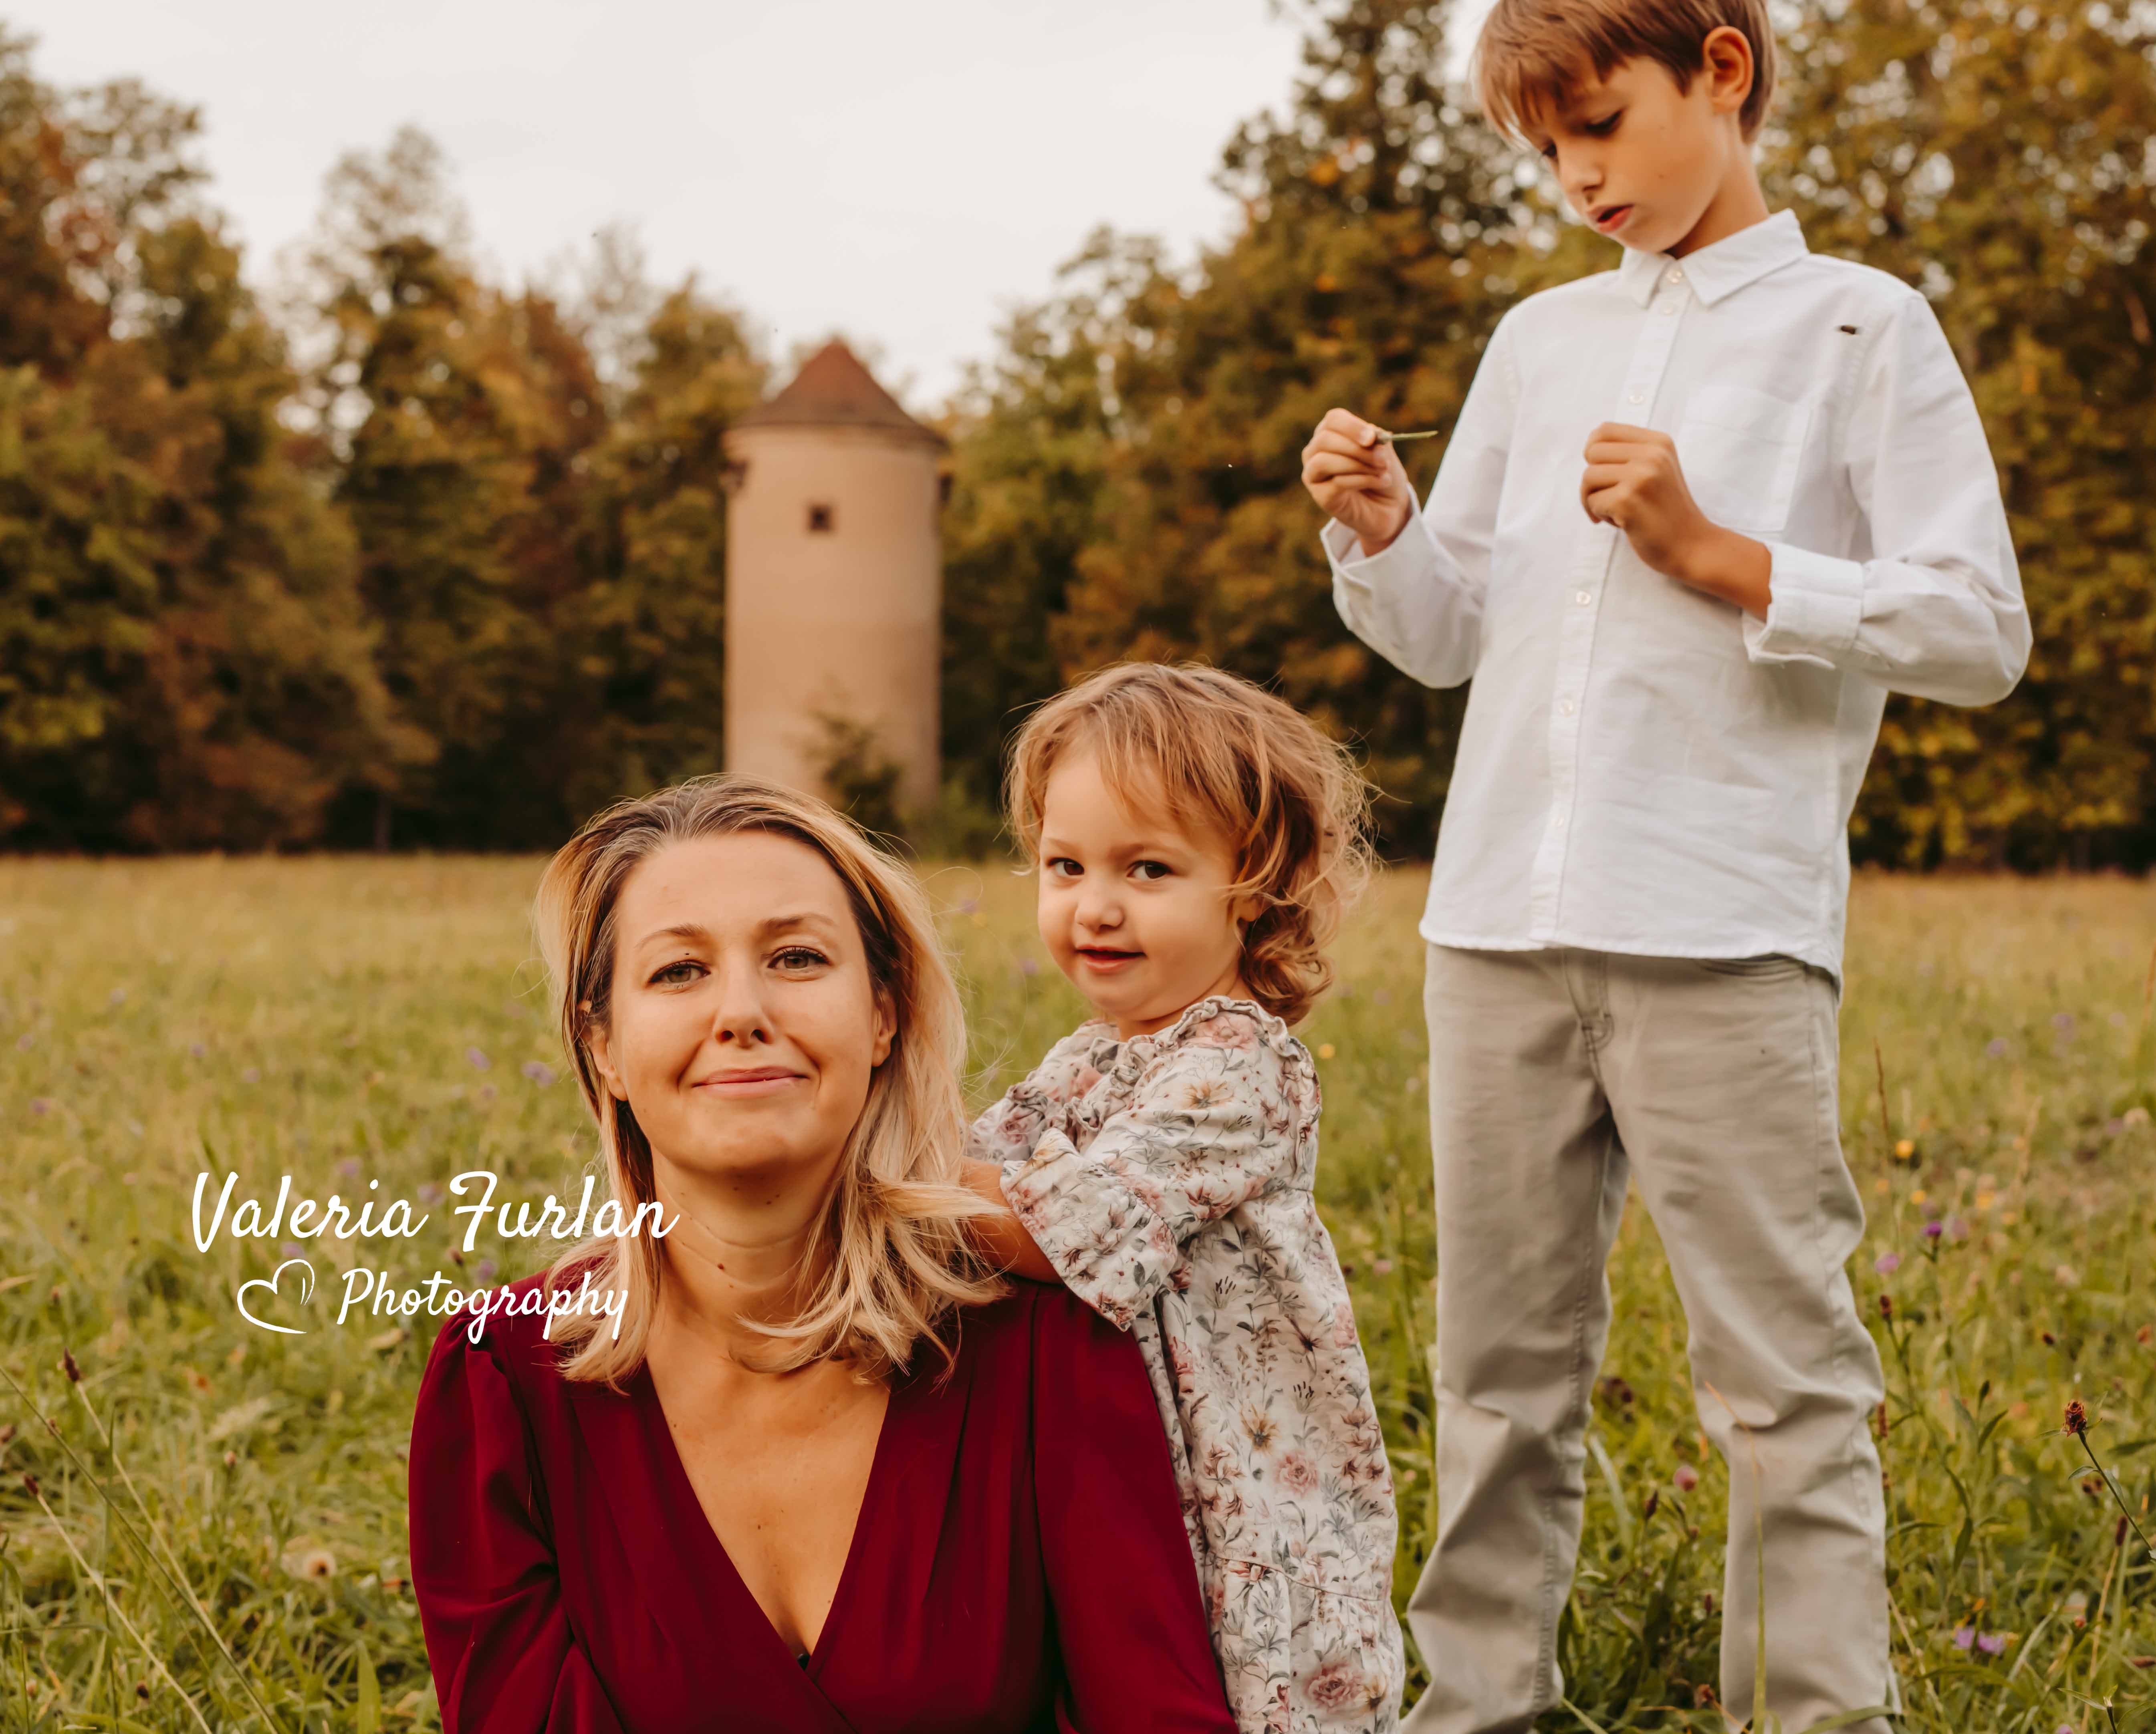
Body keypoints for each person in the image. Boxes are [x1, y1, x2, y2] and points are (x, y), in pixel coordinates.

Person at [1299, 0, 2032, 1725]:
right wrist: (1385, 532)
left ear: (1721, 66)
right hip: (1496, 929)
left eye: (1601, 126)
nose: (1576, 176)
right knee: (1495, 1371)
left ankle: (1810, 1711)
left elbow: (1979, 626)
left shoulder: (1863, 324)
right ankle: (1479, 1702)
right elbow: (1456, 629)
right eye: (1543, 150)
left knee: (1782, 1379)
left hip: (1721, 925)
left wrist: (1724, 552)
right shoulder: (1540, 340)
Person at [407, 775, 1237, 1734]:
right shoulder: (503, 1377)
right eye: (678, 971)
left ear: (883, 1013)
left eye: (797, 956)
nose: (742, 1011)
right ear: (603, 1047)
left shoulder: (1051, 1346)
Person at [956, 663, 1405, 1732]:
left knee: (1263, 1696)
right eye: (1063, 865)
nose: (1094, 906)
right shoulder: (1089, 1057)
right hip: (1134, 1477)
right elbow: (967, 1160)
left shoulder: (1240, 1063)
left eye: (1147, 868)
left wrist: (864, 1182)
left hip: (1247, 1496)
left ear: (1253, 886)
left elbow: (1050, 1231)